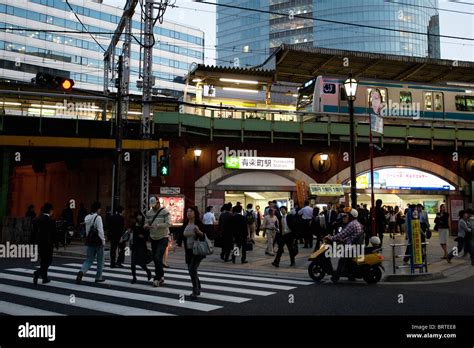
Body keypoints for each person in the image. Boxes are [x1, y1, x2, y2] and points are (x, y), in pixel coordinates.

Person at [177, 206, 206, 299]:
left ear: (195, 213)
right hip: (188, 251)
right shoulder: (185, 224)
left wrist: (199, 232)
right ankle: (198, 286)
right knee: (192, 270)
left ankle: (195, 291)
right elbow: (181, 235)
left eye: (191, 211)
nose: (188, 213)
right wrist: (177, 244)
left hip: (198, 251)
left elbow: (205, 236)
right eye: (187, 211)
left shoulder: (198, 223)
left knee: (192, 269)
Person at [327, 208, 364, 282]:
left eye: (347, 215)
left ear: (351, 216)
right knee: (348, 261)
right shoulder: (356, 223)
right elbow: (350, 236)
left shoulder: (352, 224)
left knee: (342, 260)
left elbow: (342, 234)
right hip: (355, 245)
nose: (346, 216)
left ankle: (336, 277)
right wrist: (343, 240)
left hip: (352, 247)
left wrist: (331, 238)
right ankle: (351, 275)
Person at [76, 201, 106, 284]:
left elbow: (87, 230)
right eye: (100, 208)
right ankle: (98, 277)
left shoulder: (87, 217)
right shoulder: (98, 218)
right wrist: (103, 241)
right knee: (100, 260)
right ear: (98, 209)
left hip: (90, 241)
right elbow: (100, 231)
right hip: (98, 242)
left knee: (89, 259)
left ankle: (82, 271)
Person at [144, 196, 170, 287]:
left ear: (158, 203)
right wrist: (146, 225)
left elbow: (168, 223)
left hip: (163, 237)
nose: (153, 207)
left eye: (154, 205)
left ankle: (157, 277)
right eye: (152, 205)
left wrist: (158, 225)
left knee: (157, 256)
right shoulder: (149, 213)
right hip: (153, 237)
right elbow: (146, 222)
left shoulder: (165, 211)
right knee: (155, 258)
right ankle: (161, 276)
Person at [33, 203, 57, 285]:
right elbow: (54, 233)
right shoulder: (51, 220)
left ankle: (44, 278)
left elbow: (34, 232)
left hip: (39, 243)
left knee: (43, 260)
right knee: (48, 261)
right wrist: (56, 243)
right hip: (48, 243)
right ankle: (38, 272)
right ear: (50, 211)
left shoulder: (37, 219)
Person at [127, 211, 152, 283]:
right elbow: (130, 231)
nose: (139, 217)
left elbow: (147, 235)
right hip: (135, 245)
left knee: (141, 262)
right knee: (133, 263)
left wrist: (142, 236)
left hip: (141, 245)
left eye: (140, 215)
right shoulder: (134, 224)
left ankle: (148, 271)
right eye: (137, 216)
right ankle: (134, 277)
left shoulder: (145, 225)